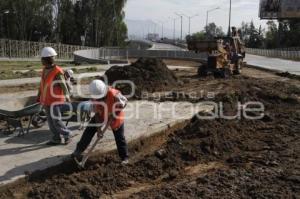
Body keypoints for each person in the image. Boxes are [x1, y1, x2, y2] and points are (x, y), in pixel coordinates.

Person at [72, 80, 129, 165]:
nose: (100, 99)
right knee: (89, 129)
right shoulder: (94, 98)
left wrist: (115, 114)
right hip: (101, 114)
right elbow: (97, 113)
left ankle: (124, 158)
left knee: (119, 137)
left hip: (115, 117)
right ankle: (79, 150)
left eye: (101, 97)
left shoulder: (114, 94)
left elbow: (124, 103)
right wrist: (99, 129)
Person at [37, 47, 73, 145]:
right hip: (47, 100)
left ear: (47, 59)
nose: (41, 60)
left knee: (56, 120)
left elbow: (63, 85)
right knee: (50, 121)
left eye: (42, 59)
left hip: (56, 100)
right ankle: (56, 138)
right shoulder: (44, 70)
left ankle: (67, 134)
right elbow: (42, 84)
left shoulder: (57, 71)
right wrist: (38, 95)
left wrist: (67, 96)